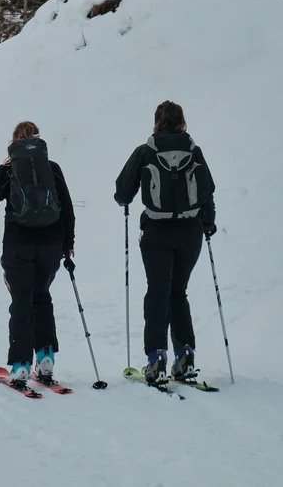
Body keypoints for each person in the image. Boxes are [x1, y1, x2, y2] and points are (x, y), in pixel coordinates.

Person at [0, 121, 75, 389]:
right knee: (42, 297)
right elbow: (67, 208)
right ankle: (46, 357)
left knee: (21, 302)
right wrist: (68, 243)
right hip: (51, 245)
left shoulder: (6, 171)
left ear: (13, 142)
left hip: (18, 245)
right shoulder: (52, 169)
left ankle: (20, 366)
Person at [114, 101, 216, 383]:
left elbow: (123, 191)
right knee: (178, 292)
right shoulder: (194, 151)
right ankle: (186, 355)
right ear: (182, 120)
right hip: (190, 232)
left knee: (158, 292)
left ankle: (156, 358)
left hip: (157, 232)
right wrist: (207, 224)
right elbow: (207, 190)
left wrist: (125, 201)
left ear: (157, 121)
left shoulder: (146, 151)